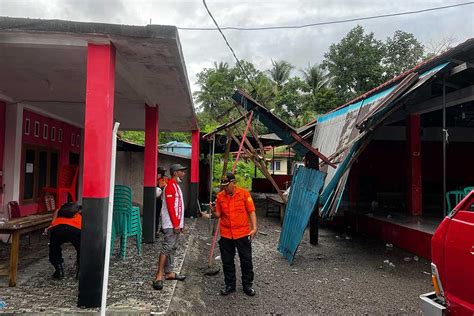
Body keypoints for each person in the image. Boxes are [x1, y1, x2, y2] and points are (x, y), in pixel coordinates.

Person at [212, 172, 257, 296]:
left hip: (242, 233)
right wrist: (212, 210)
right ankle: (230, 285)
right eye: (223, 185)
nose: (225, 187)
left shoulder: (244, 194)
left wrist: (254, 228)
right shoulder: (220, 196)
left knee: (246, 260)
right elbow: (218, 215)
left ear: (233, 183)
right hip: (226, 234)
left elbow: (251, 211)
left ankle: (247, 285)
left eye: (227, 185)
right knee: (227, 261)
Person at [152, 163, 187, 290]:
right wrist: (176, 224)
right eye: (181, 171)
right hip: (171, 224)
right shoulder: (171, 186)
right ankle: (159, 275)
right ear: (175, 172)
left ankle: (169, 272)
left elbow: (179, 207)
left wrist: (181, 224)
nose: (183, 173)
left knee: (173, 248)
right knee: (167, 247)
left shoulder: (176, 186)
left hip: (176, 223)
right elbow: (171, 207)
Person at [47, 202, 82, 280]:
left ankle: (59, 271)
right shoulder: (80, 213)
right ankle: (80, 272)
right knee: (81, 249)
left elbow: (52, 223)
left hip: (58, 228)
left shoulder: (59, 211)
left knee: (54, 248)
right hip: (75, 229)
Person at [155, 167, 169, 236]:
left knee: (164, 214)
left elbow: (168, 187)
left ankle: (162, 228)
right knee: (156, 215)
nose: (160, 174)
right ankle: (155, 231)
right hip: (157, 200)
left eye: (161, 173)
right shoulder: (155, 178)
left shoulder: (165, 179)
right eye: (159, 173)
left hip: (164, 199)